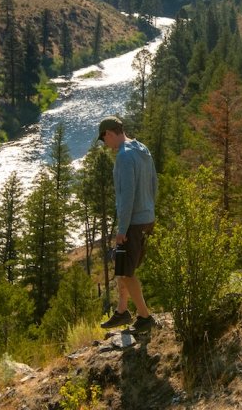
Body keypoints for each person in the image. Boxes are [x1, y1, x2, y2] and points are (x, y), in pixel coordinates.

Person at [97, 116, 157, 333]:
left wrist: (121, 230)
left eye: (104, 140)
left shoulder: (123, 156)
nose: (106, 146)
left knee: (128, 273)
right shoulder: (143, 149)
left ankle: (144, 317)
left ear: (110, 134)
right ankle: (122, 311)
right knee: (123, 266)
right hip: (147, 218)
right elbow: (153, 183)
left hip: (133, 222)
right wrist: (150, 209)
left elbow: (127, 195)